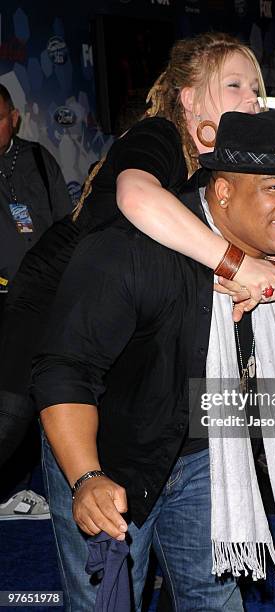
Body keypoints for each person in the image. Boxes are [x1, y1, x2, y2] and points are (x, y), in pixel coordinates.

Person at [32, 109, 275, 612]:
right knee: (107, 603)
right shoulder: (132, 252)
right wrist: (86, 479)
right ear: (222, 192)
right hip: (109, 449)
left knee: (214, 600)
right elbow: (65, 370)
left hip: (208, 453)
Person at [0, 33, 275, 468]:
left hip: (124, 313)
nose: (252, 98)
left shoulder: (237, 154)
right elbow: (136, 196)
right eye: (234, 85)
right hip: (55, 293)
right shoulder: (158, 134)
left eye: (256, 88)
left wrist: (268, 271)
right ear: (192, 98)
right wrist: (237, 264)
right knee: (11, 421)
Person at [0, 82, 72, 520]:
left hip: (37, 300)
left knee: (34, 397)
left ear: (13, 118)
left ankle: (19, 490)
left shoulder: (39, 161)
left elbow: (64, 226)